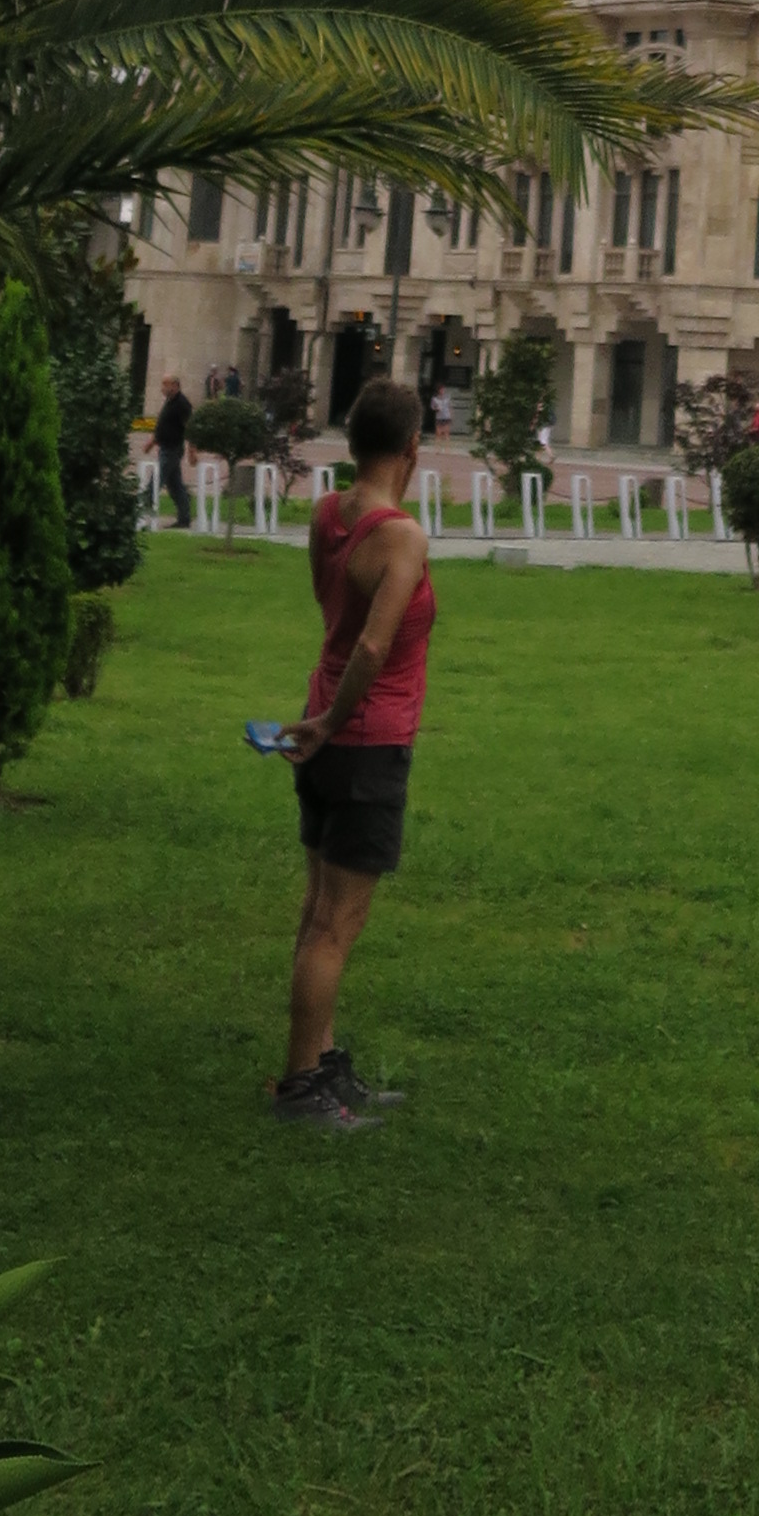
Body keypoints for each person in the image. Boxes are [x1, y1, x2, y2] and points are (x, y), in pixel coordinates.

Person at [274, 375, 433, 1129]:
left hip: (324, 734)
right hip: (363, 742)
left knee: (319, 913)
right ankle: (301, 1085)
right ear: (412, 448)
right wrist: (335, 722)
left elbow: (331, 611)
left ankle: (324, 1065)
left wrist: (320, 723)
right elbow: (372, 645)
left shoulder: (328, 514)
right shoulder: (402, 537)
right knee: (336, 925)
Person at [153, 372, 194, 530]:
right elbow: (165, 424)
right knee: (175, 485)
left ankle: (138, 513)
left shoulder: (182, 404)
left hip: (172, 449)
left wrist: (192, 450)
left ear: (175, 386)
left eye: (165, 384)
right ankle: (184, 518)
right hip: (166, 447)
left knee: (156, 481)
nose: (162, 388)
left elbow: (190, 427)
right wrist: (153, 441)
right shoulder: (170, 401)